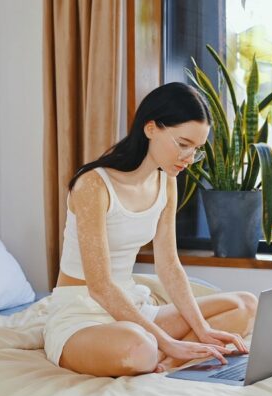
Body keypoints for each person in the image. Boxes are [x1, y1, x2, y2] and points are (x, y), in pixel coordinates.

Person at [43, 82, 258, 377]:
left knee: (246, 305)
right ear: (151, 128)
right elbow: (100, 287)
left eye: (196, 149)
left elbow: (169, 265)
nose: (189, 158)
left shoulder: (166, 182)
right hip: (83, 315)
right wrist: (168, 341)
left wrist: (203, 329)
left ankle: (169, 363)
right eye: (183, 144)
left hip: (134, 308)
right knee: (139, 347)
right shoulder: (93, 185)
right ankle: (169, 353)